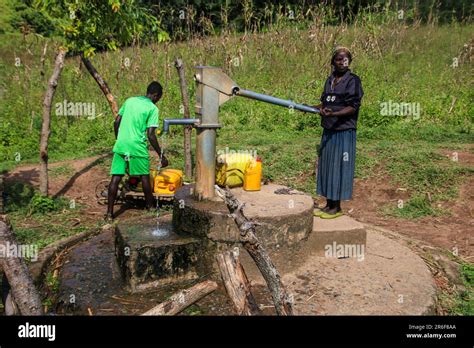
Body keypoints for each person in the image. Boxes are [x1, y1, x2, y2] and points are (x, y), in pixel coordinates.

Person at [105, 81, 169, 221]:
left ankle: (109, 214)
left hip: (121, 145)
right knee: (144, 177)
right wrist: (161, 155)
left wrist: (119, 139)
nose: (157, 101)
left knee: (115, 178)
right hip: (137, 146)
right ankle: (151, 208)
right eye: (158, 98)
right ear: (156, 95)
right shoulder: (152, 109)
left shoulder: (130, 101)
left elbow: (116, 122)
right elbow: (151, 134)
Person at [313, 47, 364, 219]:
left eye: (346, 59)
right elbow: (325, 103)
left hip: (344, 131)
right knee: (327, 166)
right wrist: (311, 108)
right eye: (339, 59)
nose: (343, 62)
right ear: (332, 62)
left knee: (339, 167)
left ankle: (337, 207)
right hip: (329, 129)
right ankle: (328, 204)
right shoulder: (330, 80)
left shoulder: (353, 81)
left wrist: (334, 114)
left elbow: (353, 107)